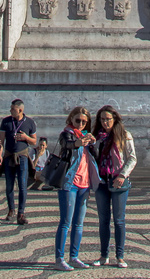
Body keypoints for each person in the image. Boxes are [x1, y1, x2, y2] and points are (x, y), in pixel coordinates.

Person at [54, 107, 98, 271]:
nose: (80, 124)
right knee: (65, 222)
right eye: (77, 120)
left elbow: (95, 157)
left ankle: (74, 256)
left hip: (84, 184)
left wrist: (93, 144)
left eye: (84, 122)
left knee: (79, 223)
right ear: (71, 119)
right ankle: (59, 258)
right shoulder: (67, 133)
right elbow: (67, 144)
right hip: (69, 183)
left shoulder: (86, 136)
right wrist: (78, 143)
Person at [93, 105, 135, 269]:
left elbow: (132, 158)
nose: (105, 122)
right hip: (102, 180)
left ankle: (120, 256)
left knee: (119, 220)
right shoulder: (97, 137)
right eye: (102, 119)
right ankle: (104, 255)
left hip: (119, 180)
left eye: (108, 119)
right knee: (103, 220)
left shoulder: (124, 135)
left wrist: (122, 175)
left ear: (115, 119)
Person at [0, 98, 38, 226]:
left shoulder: (30, 122)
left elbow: (34, 141)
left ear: (20, 110)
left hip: (22, 157)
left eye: (13, 109)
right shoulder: (6, 121)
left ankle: (21, 213)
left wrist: (26, 137)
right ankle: (11, 210)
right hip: (9, 156)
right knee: (9, 184)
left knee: (22, 185)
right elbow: (1, 140)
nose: (10, 111)